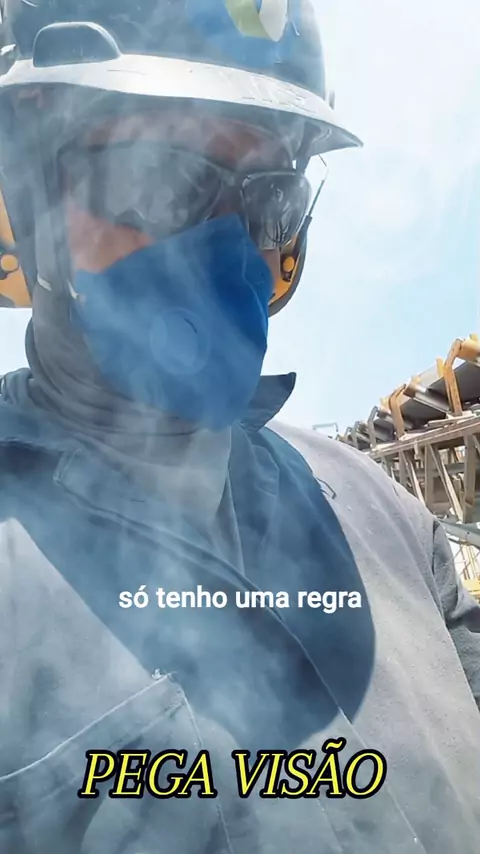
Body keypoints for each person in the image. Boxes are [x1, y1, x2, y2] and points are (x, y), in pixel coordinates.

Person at [0, 1, 478, 852]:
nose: (228, 248)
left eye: (270, 201)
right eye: (160, 182)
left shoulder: (387, 517)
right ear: (32, 198)